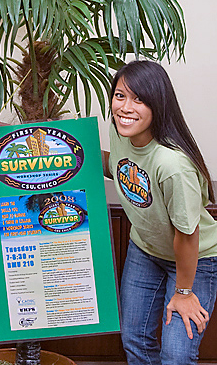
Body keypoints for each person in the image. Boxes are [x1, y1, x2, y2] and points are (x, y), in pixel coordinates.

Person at [102, 60, 217, 365]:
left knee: (176, 356)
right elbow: (119, 166)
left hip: (195, 260)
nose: (125, 107)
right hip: (146, 250)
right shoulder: (120, 133)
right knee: (134, 339)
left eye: (139, 99)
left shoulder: (172, 165)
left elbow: (187, 235)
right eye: (120, 95)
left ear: (158, 104)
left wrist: (184, 291)